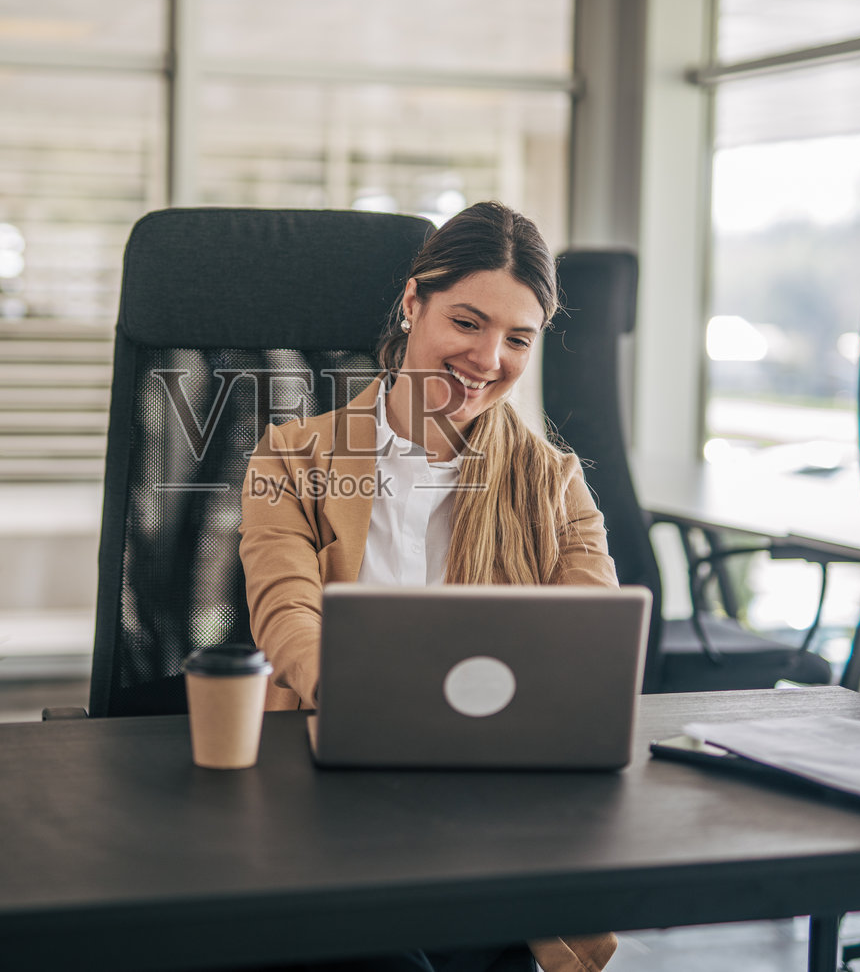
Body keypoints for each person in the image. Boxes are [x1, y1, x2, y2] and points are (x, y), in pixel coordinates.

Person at [239, 201, 619, 972]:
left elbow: (592, 647)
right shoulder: (291, 458)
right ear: (413, 304)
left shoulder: (555, 481)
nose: (488, 358)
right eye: (468, 322)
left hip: (491, 810)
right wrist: (372, 704)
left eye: (518, 338)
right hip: (327, 791)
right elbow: (287, 618)